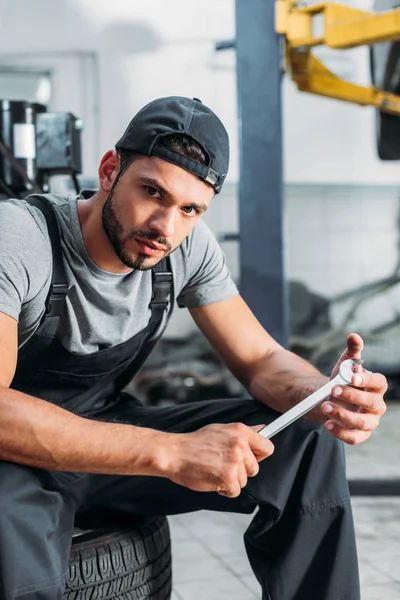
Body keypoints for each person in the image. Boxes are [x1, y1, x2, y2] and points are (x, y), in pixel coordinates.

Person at [0, 96, 387, 600]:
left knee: (305, 444)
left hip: (108, 435)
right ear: (110, 169)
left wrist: (324, 393)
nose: (166, 227)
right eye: (152, 192)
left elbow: (261, 360)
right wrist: (171, 451)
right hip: (15, 457)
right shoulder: (20, 238)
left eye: (190, 209)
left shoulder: (185, 247)